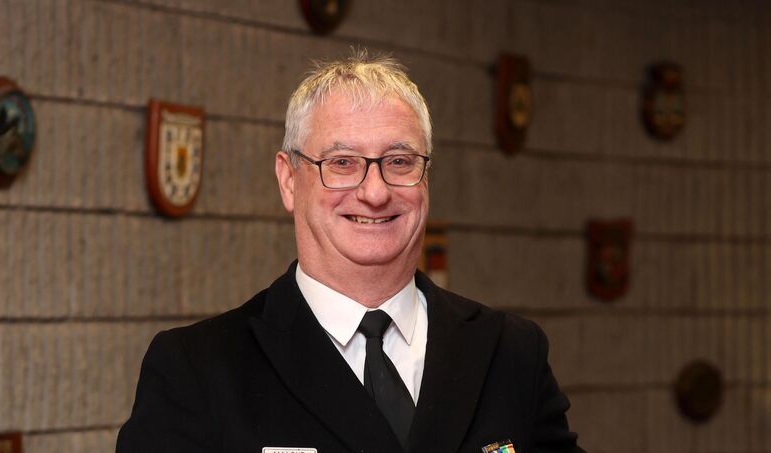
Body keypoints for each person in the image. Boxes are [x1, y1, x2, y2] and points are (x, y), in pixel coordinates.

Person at [117, 50, 583, 453]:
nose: (375, 192)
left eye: (399, 162)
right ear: (288, 179)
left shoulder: (510, 354)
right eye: (342, 163)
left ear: (426, 177)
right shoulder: (197, 370)